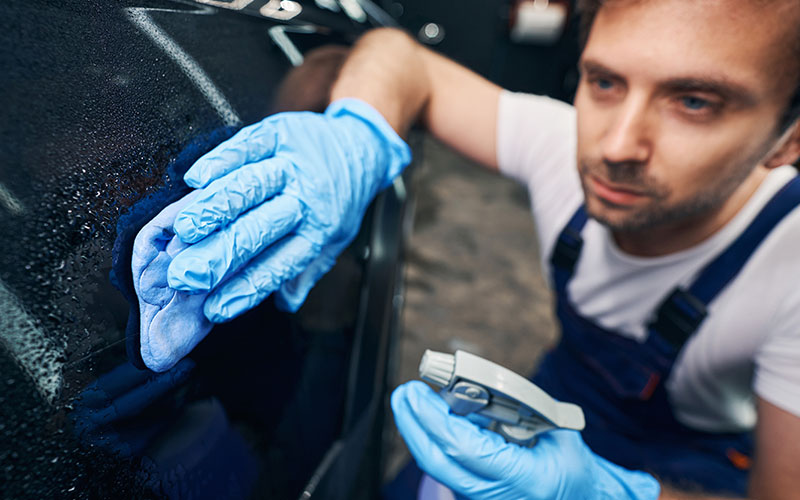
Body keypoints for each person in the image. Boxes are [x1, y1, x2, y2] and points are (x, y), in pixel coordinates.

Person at [163, 0, 800, 497]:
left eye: (694, 102)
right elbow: (398, 55)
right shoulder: (561, 144)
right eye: (603, 81)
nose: (615, 146)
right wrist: (358, 132)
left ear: (786, 142)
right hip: (562, 396)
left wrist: (608, 495)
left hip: (692, 467)